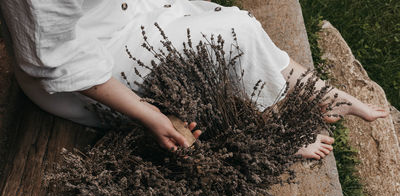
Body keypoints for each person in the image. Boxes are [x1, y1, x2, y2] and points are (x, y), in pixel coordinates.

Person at [0, 0, 388, 158]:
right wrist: (148, 113)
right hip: (91, 71)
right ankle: (274, 131)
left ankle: (314, 91)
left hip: (121, 15)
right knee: (236, 29)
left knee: (224, 19)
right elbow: (59, 59)